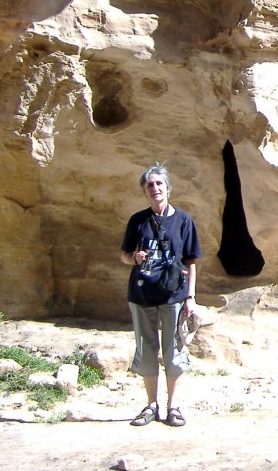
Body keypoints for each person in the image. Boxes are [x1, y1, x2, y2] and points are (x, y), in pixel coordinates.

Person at [119, 163, 201, 427]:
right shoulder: (138, 221)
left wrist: (190, 297)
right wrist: (134, 258)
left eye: (159, 184)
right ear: (145, 191)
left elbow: (191, 261)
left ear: (168, 188)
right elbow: (124, 255)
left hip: (173, 296)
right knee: (146, 350)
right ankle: (151, 405)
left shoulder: (184, 221)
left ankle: (172, 406)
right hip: (142, 294)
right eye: (149, 185)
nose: (154, 188)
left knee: (173, 350)